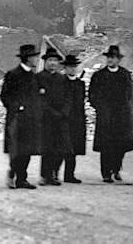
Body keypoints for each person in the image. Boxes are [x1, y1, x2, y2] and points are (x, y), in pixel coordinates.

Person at [89, 45, 133, 183]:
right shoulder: (99, 76)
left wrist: (121, 108)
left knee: (120, 145)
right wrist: (100, 108)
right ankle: (105, 173)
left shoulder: (125, 75)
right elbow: (92, 95)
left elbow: (128, 93)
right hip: (105, 116)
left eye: (113, 57)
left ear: (118, 60)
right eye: (109, 57)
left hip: (120, 115)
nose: (110, 60)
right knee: (106, 146)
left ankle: (116, 169)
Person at [0, 44, 43, 190]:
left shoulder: (33, 76)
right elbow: (5, 96)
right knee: (17, 151)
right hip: (17, 119)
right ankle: (13, 173)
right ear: (27, 58)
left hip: (31, 119)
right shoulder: (13, 74)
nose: (36, 59)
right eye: (34, 57)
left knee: (28, 151)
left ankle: (21, 180)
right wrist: (17, 107)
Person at [37, 48, 72, 186]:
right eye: (50, 60)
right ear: (45, 62)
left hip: (61, 119)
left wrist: (64, 112)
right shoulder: (39, 78)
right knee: (47, 148)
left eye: (55, 61)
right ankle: (45, 176)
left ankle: (55, 173)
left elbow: (69, 98)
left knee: (61, 148)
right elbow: (39, 100)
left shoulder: (62, 79)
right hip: (46, 119)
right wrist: (51, 112)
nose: (53, 63)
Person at [61, 55, 86, 184]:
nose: (72, 69)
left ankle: (69, 175)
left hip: (77, 120)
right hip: (63, 119)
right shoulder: (60, 82)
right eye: (69, 67)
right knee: (61, 147)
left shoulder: (80, 84)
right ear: (64, 68)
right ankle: (53, 174)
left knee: (74, 149)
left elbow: (81, 101)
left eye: (74, 67)